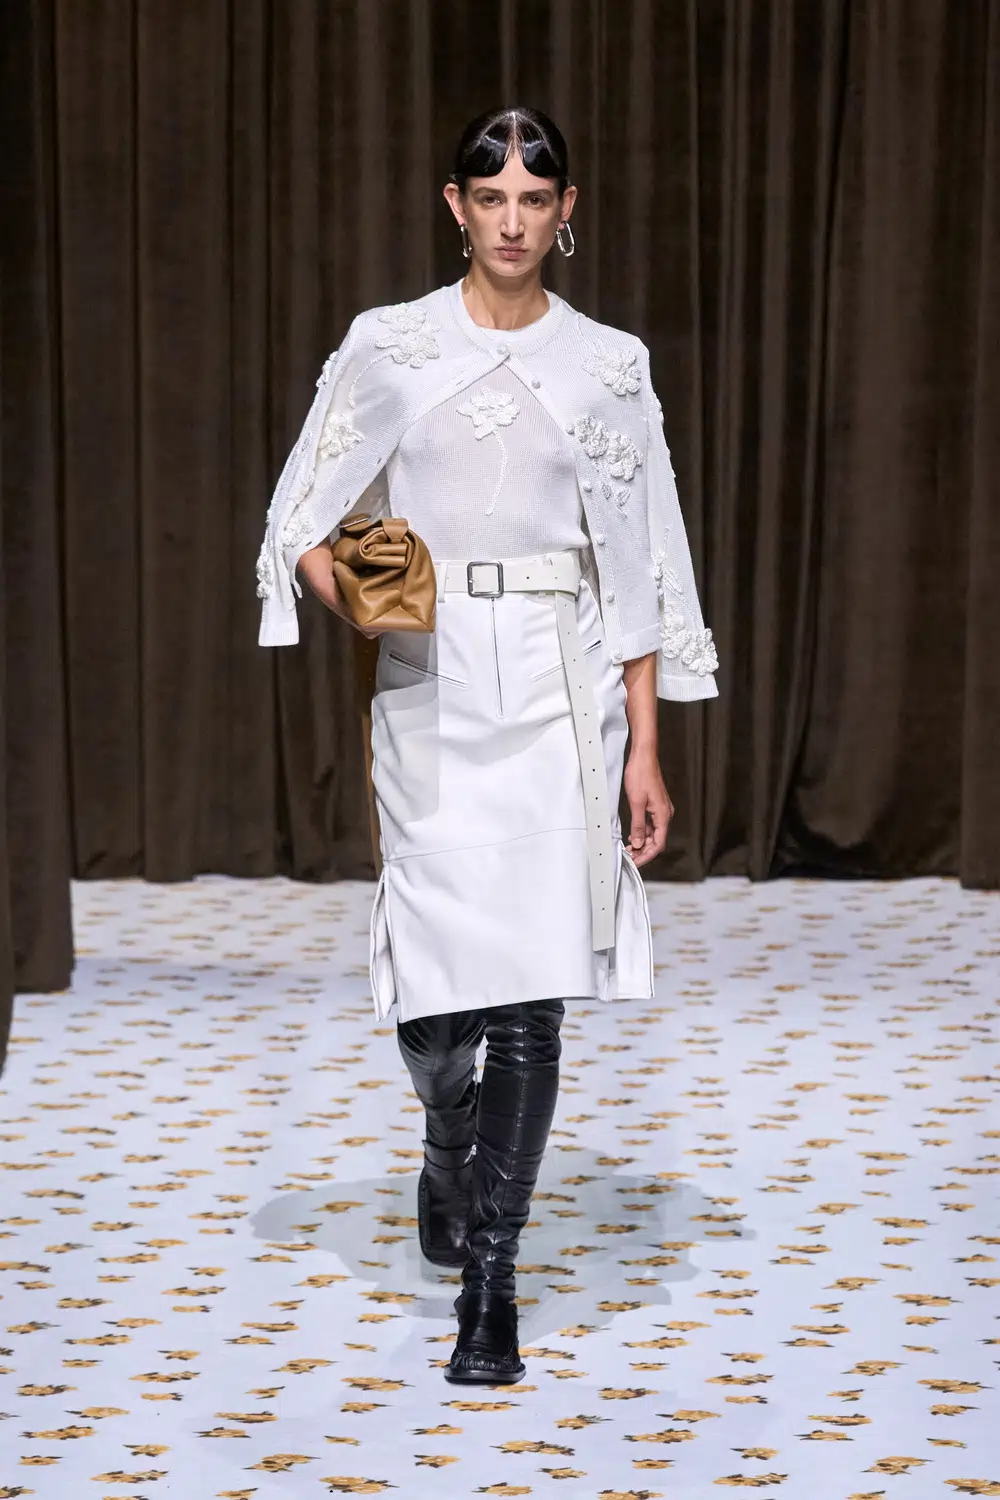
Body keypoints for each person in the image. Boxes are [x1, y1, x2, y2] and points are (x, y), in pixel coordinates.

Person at [255, 106, 718, 1385]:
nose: (513, 220)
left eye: (536, 198)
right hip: (433, 677)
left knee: (531, 990)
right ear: (455, 206)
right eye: (491, 197)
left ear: (567, 213)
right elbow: (302, 513)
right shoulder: (390, 344)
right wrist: (361, 598)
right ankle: (446, 1129)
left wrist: (643, 747)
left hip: (564, 679)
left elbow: (639, 562)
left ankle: (492, 1286)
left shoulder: (608, 363)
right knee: (435, 1002)